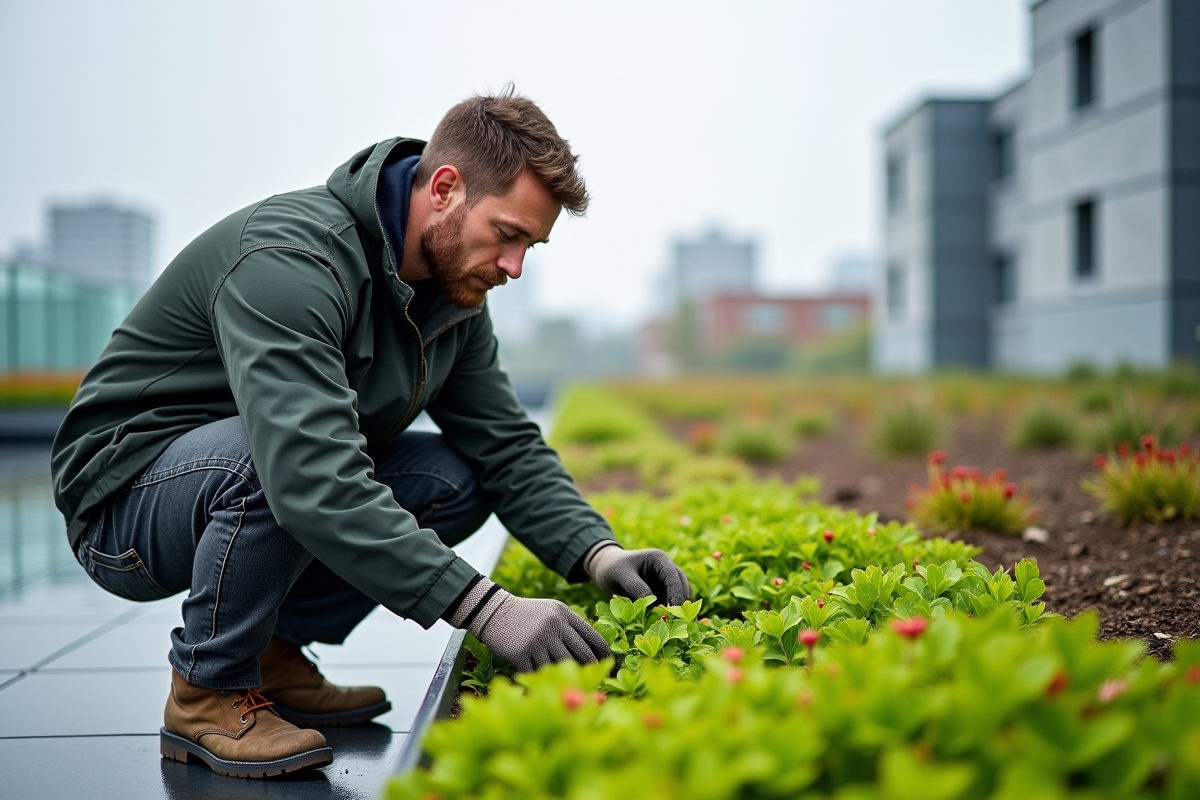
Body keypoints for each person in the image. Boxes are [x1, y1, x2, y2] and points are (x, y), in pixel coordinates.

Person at [51, 87, 690, 779]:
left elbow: (505, 444)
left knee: (455, 477)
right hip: (125, 503)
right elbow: (306, 474)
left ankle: (274, 651)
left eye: (530, 246)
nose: (515, 267)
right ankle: (207, 691)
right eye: (507, 234)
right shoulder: (290, 260)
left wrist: (597, 552)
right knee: (272, 464)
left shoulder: (454, 301)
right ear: (445, 188)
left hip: (255, 472)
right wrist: (487, 609)